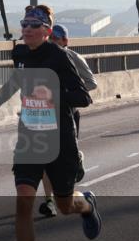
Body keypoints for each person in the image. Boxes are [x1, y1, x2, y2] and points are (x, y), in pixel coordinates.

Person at [0, 5, 101, 241]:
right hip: (29, 139)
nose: (26, 29)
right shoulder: (20, 54)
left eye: (33, 25)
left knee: (64, 206)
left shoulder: (58, 57)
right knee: (24, 199)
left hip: (59, 141)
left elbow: (83, 97)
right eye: (24, 24)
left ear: (46, 30)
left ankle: (84, 204)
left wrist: (52, 93)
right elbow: (15, 81)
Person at [38, 24, 97, 217]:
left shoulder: (72, 57)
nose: (53, 41)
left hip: (67, 114)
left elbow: (90, 83)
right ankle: (49, 201)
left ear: (65, 41)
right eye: (51, 37)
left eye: (58, 38)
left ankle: (76, 159)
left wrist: (66, 93)